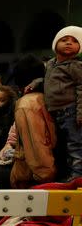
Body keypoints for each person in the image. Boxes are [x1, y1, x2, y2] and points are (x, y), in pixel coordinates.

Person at [44, 25, 82, 178]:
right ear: (55, 44)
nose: (68, 43)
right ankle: (67, 174)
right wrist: (35, 83)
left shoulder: (76, 65)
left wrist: (80, 113)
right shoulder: (51, 64)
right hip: (55, 113)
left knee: (76, 145)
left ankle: (78, 176)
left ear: (79, 47)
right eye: (64, 40)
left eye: (74, 41)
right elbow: (48, 80)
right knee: (61, 147)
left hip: (71, 111)